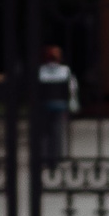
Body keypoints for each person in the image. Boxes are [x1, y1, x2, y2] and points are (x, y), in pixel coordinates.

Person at [35, 45, 76, 173]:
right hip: (59, 105)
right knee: (57, 132)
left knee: (45, 133)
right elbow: (71, 89)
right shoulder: (65, 70)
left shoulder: (41, 70)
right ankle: (56, 157)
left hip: (44, 105)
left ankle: (44, 157)